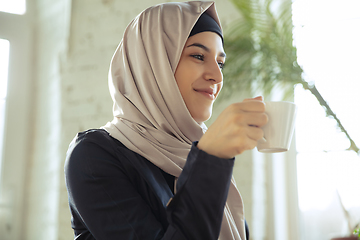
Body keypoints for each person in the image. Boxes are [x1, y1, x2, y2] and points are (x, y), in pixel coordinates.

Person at [64, 1, 267, 240]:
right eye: (198, 55)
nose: (217, 75)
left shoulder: (194, 155)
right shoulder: (93, 156)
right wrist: (212, 158)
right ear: (152, 64)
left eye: (220, 62)